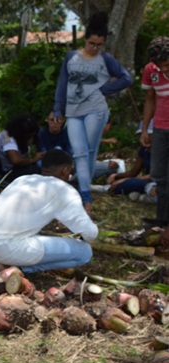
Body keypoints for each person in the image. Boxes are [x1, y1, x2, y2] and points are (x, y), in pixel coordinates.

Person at [53, 12, 133, 214]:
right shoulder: (71, 57)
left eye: (99, 44)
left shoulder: (105, 59)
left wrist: (103, 90)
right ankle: (81, 194)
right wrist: (57, 108)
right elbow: (62, 84)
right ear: (85, 39)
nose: (94, 48)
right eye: (91, 43)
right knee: (78, 153)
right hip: (73, 111)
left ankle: (85, 197)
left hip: (95, 110)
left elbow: (126, 78)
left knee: (87, 153)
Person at [0, 149, 98, 274]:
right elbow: (89, 233)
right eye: (70, 172)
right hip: (8, 248)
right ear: (65, 169)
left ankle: (4, 262)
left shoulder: (23, 180)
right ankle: (21, 270)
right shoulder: (64, 190)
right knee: (85, 252)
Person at [38, 112, 123, 180]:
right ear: (47, 120)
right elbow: (44, 154)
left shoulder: (68, 133)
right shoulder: (42, 133)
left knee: (112, 166)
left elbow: (72, 154)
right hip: (51, 166)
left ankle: (73, 178)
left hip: (70, 165)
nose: (55, 123)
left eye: (58, 120)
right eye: (52, 120)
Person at [141, 36, 169, 227]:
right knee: (159, 175)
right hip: (160, 128)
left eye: (167, 64)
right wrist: (145, 129)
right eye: (160, 65)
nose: (164, 69)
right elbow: (150, 99)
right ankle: (162, 220)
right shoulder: (150, 70)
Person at [0, 114, 44, 183]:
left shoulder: (12, 137)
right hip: (6, 174)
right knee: (34, 171)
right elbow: (15, 160)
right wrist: (33, 159)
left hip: (11, 170)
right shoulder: (8, 139)